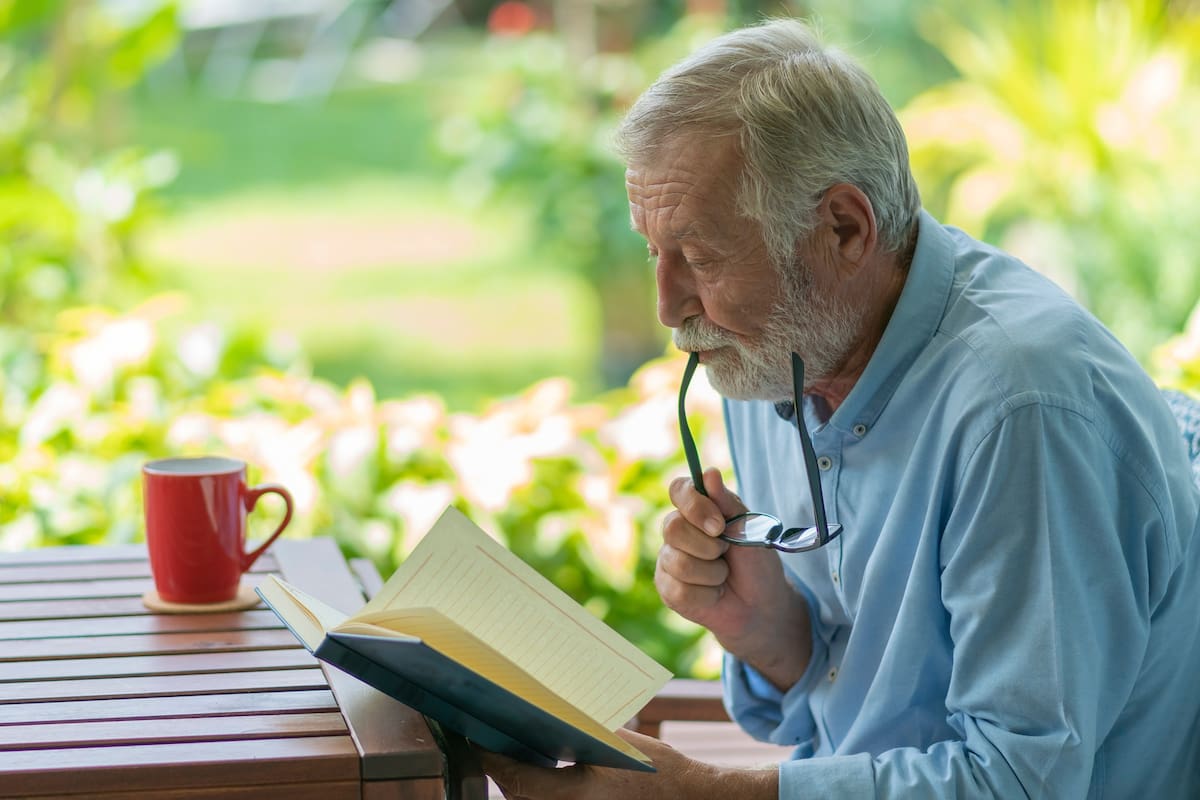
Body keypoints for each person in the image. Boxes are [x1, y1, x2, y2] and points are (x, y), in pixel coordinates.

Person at [480, 17, 1200, 799]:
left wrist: (695, 795)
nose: (667, 306)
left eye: (703, 257)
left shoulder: (1020, 410)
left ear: (845, 229)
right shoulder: (780, 346)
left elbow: (1020, 782)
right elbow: (877, 717)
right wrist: (772, 634)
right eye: (655, 251)